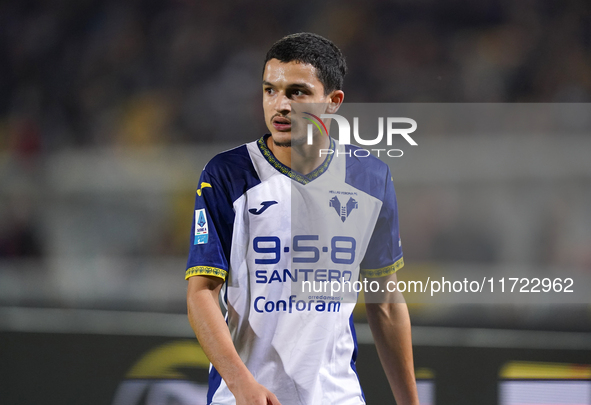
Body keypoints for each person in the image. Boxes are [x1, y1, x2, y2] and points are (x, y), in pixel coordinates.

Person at [186, 32, 419, 405]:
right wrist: (241, 384)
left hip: (336, 396)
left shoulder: (370, 179)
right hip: (246, 398)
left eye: (297, 92)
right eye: (270, 90)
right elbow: (201, 295)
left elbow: (386, 303)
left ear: (333, 102)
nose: (280, 105)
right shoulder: (226, 175)